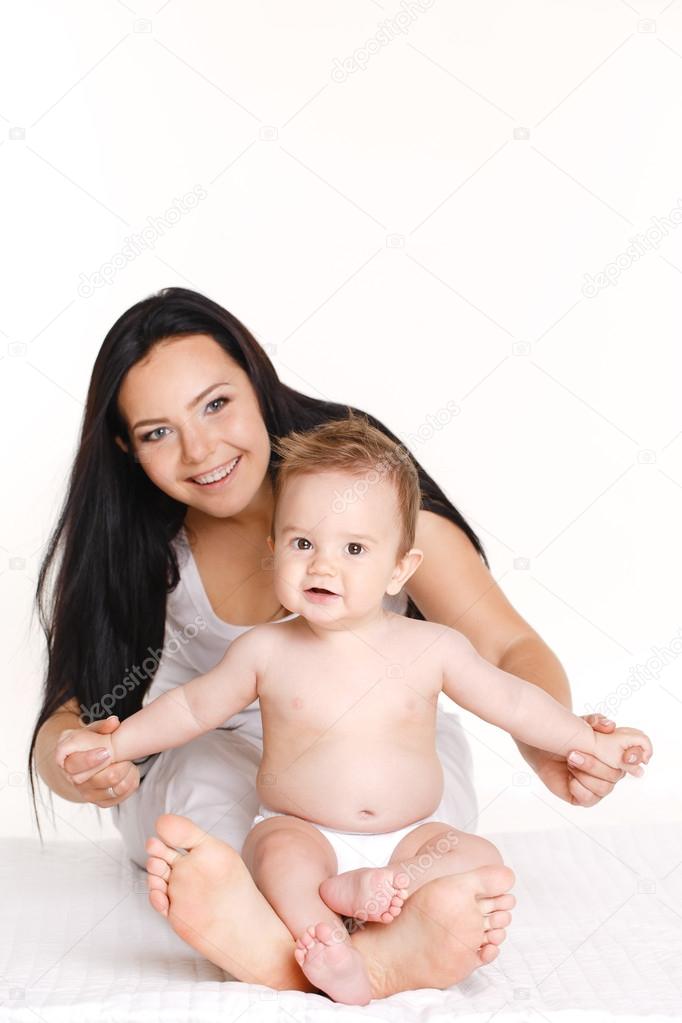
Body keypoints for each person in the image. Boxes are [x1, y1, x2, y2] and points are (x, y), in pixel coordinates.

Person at [29, 287, 646, 999]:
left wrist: (561, 743)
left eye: (216, 403)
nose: (200, 448)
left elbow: (505, 662)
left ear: (258, 386)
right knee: (211, 807)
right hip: (254, 781)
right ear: (125, 446)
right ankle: (301, 936)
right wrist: (87, 757)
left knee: (437, 836)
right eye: (157, 431)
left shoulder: (363, 489)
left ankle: (345, 942)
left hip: (387, 760)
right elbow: (116, 714)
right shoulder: (136, 545)